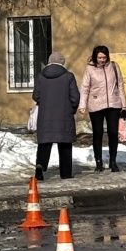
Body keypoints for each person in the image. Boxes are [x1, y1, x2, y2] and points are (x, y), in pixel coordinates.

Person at [78, 45, 126, 172]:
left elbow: (120, 85)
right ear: (95, 57)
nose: (102, 60)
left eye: (104, 57)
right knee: (98, 133)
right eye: (99, 57)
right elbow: (84, 87)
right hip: (96, 105)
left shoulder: (114, 67)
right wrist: (82, 105)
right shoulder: (90, 69)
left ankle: (113, 161)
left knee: (113, 133)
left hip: (114, 104)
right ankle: (98, 162)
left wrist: (124, 106)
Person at [32, 52, 80, 180]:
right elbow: (75, 97)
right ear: (62, 62)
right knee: (65, 144)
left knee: (44, 143)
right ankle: (65, 173)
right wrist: (72, 109)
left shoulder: (40, 76)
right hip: (64, 115)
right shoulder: (69, 76)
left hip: (45, 116)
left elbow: (36, 96)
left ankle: (40, 165)